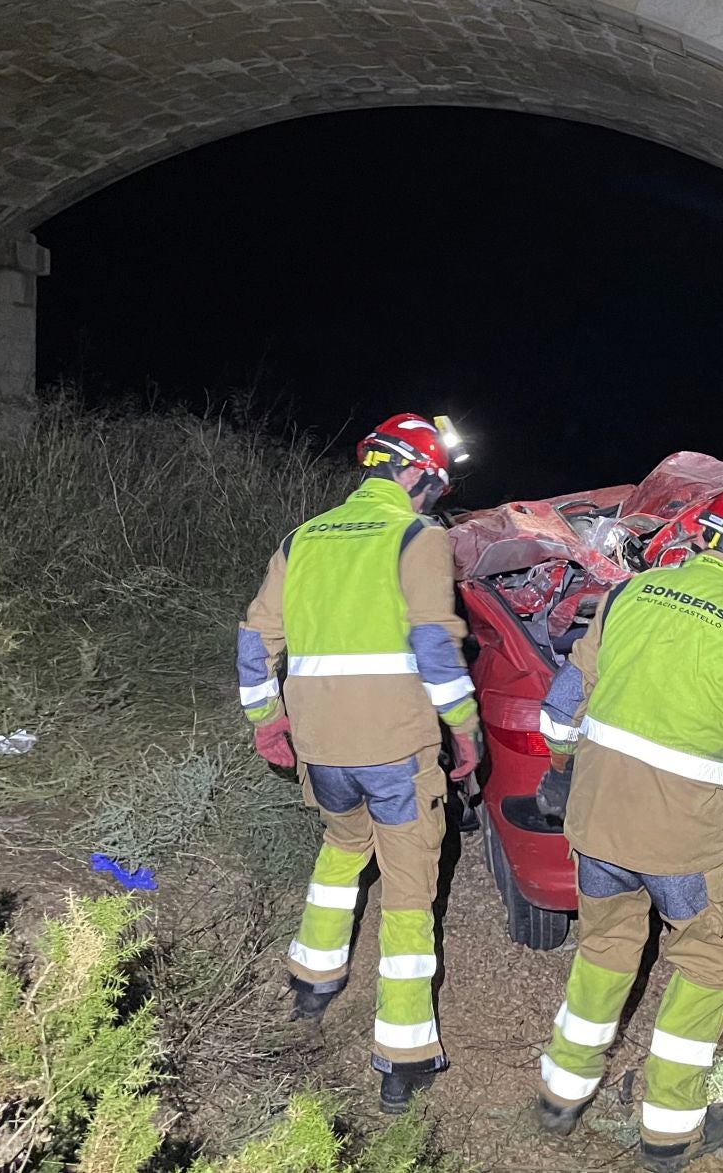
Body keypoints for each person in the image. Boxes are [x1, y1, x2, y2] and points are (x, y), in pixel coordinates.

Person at [531, 482, 723, 1171]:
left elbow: (559, 707)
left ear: (704, 539)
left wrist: (563, 767)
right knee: (713, 965)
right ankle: (668, 1129)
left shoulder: (630, 594)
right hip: (684, 842)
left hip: (597, 823)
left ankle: (560, 1096)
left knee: (603, 948)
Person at [236, 413, 483, 1111]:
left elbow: (255, 642)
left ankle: (312, 982)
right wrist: (466, 731)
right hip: (395, 749)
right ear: (413, 474)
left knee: (343, 848)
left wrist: (267, 722)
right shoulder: (417, 536)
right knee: (408, 888)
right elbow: (436, 649)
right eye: (432, 485)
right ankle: (403, 1056)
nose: (432, 498)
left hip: (321, 750)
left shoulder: (302, 537)